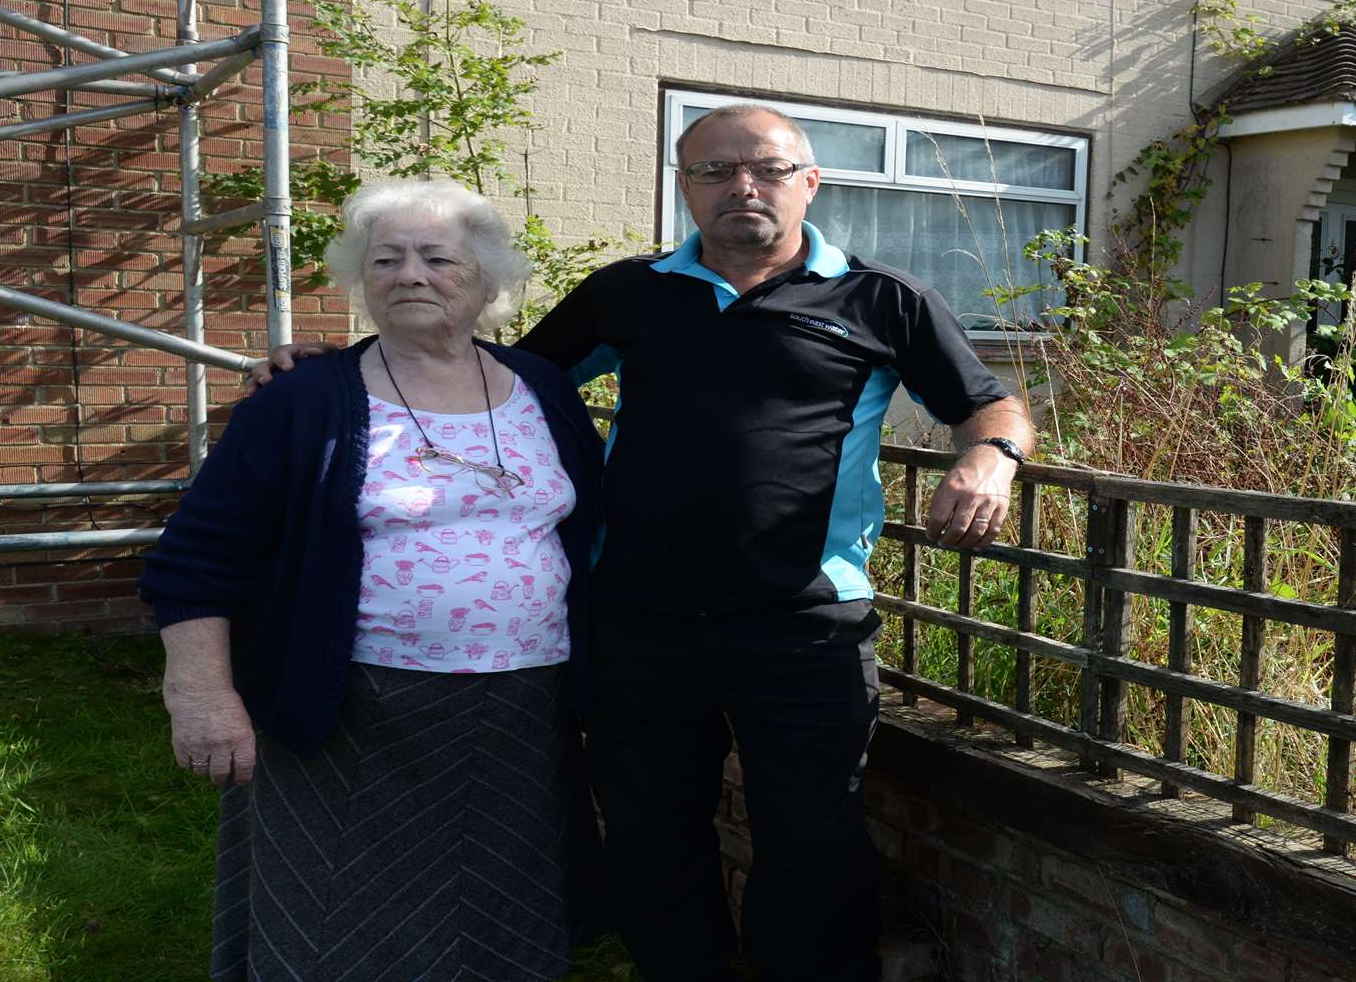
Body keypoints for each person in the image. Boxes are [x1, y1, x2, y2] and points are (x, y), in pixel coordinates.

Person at [254, 105, 1036, 981]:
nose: (743, 186)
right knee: (651, 833)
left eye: (768, 168)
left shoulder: (880, 297)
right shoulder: (630, 291)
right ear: (685, 187)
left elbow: (988, 401)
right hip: (639, 620)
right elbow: (498, 371)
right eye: (713, 171)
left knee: (813, 831)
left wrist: (991, 459)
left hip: (806, 622)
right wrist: (341, 364)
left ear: (809, 182)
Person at [141, 179, 609, 981]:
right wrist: (201, 695)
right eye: (385, 258)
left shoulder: (543, 387)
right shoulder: (302, 398)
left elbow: (586, 527)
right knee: (340, 906)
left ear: (487, 280)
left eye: (437, 257)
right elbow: (196, 556)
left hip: (524, 706)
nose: (410, 275)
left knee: (503, 897)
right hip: (350, 703)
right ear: (362, 278)